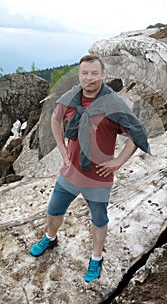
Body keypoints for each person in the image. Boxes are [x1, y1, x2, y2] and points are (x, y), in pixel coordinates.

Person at [30, 54, 150, 282]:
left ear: (103, 75)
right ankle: (50, 237)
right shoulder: (70, 98)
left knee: (98, 219)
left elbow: (137, 132)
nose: (90, 78)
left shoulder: (114, 104)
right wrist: (62, 151)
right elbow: (55, 120)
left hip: (98, 177)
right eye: (85, 73)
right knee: (53, 211)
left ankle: (96, 258)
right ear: (79, 75)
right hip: (70, 172)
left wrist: (119, 161)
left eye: (95, 73)